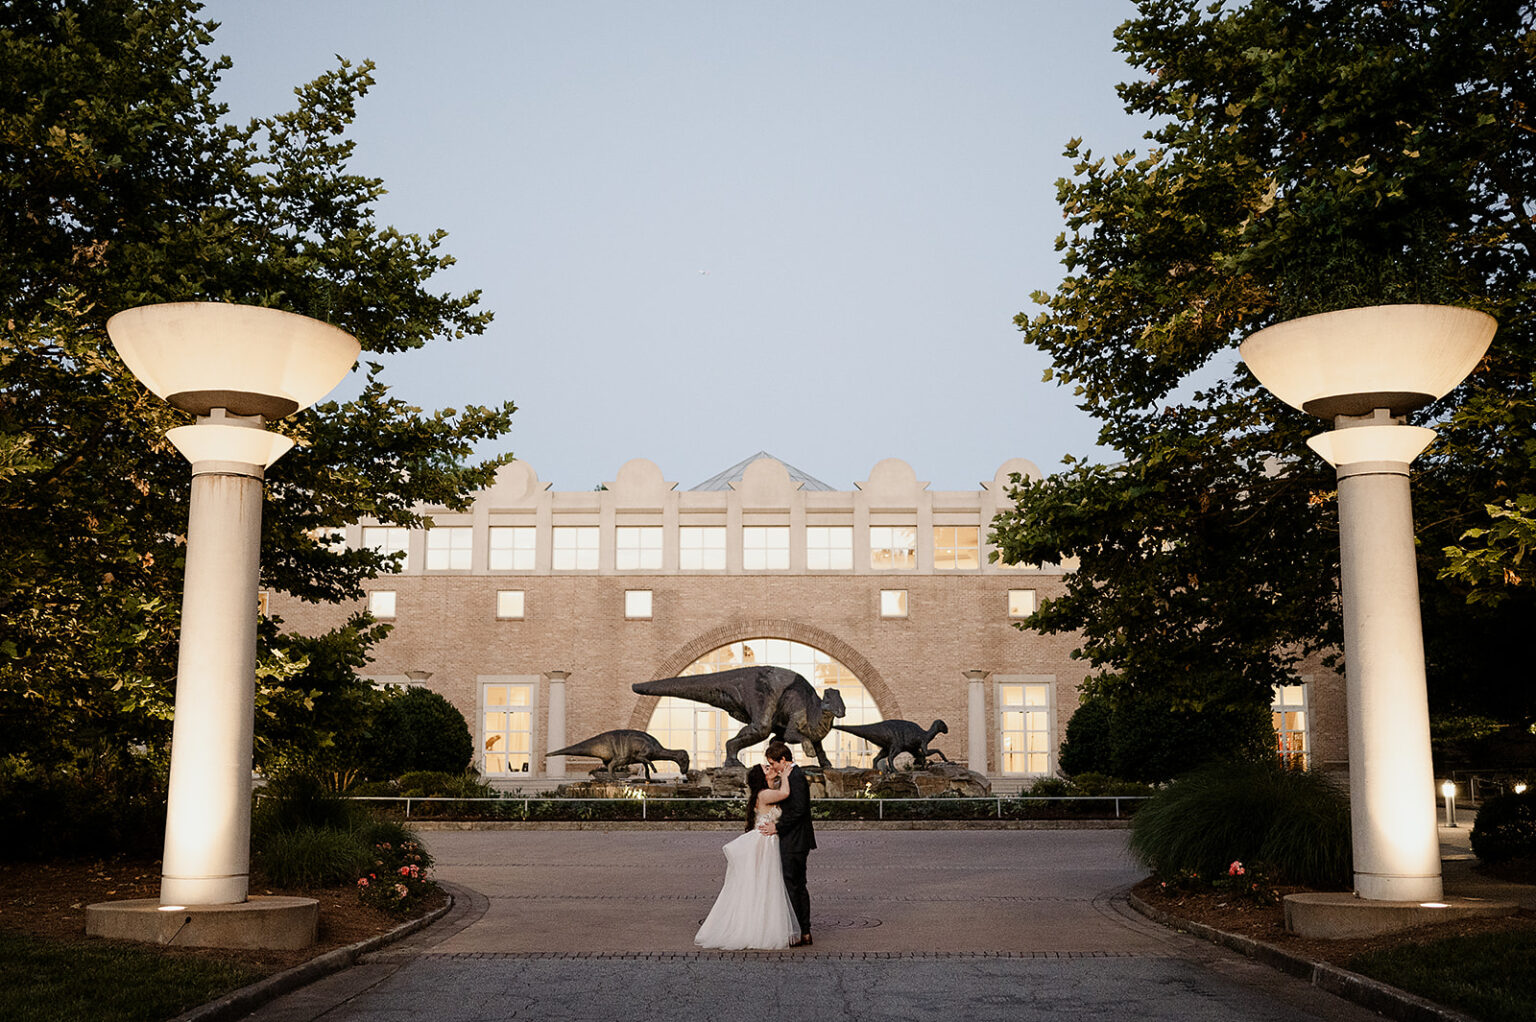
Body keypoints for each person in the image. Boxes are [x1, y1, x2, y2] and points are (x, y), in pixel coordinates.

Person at [693, 760, 799, 950]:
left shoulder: (763, 793)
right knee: (764, 884)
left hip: (766, 841)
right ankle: (760, 928)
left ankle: (760, 925)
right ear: (762, 777)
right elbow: (785, 793)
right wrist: (784, 776)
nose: (771, 768)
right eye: (767, 768)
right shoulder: (764, 794)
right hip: (764, 844)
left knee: (762, 885)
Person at [762, 740, 814, 946]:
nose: (772, 767)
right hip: (793, 839)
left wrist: (778, 827)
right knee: (794, 885)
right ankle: (802, 931)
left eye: (773, 763)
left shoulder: (797, 777)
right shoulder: (788, 776)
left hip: (796, 841)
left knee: (795, 886)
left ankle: (803, 930)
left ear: (783, 760)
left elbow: (799, 810)